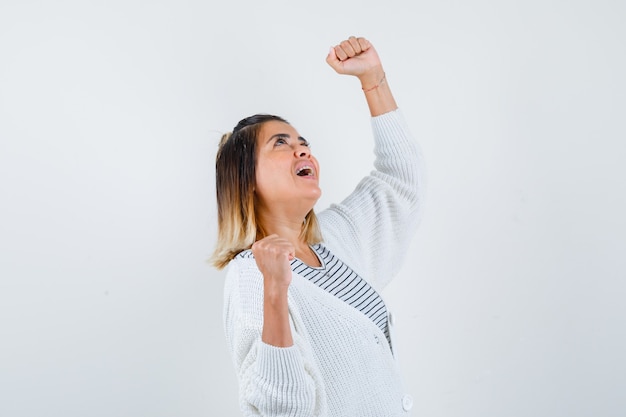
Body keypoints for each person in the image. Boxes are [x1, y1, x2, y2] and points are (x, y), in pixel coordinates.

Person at [211, 36, 425, 417]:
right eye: (281, 143)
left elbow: (400, 183)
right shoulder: (251, 276)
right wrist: (275, 289)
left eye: (303, 142)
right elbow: (281, 409)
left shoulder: (336, 238)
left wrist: (373, 81)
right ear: (247, 180)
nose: (304, 150)